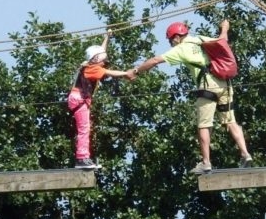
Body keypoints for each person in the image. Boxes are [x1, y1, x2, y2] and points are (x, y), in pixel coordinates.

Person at [127, 19, 252, 174]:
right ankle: (245, 153)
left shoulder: (181, 49)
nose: (171, 43)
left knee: (204, 125)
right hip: (225, 84)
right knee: (231, 121)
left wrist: (136, 71)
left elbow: (155, 60)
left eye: (171, 40)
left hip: (207, 86)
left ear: (177, 37)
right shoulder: (200, 39)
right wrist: (225, 27)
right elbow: (223, 40)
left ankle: (206, 162)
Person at [68, 30, 131, 169]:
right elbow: (110, 73)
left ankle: (83, 157)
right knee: (84, 129)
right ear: (95, 59)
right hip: (80, 99)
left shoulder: (90, 65)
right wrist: (127, 73)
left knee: (85, 128)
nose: (105, 61)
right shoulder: (93, 69)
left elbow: (101, 50)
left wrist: (106, 37)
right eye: (102, 59)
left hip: (78, 98)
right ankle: (82, 158)